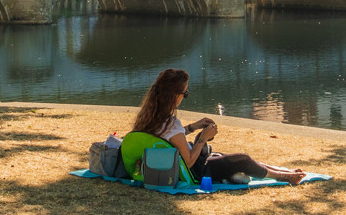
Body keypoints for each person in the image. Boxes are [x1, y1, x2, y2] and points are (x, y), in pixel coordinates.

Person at [130, 68, 305, 185]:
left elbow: (168, 138)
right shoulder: (171, 123)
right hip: (195, 172)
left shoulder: (150, 117)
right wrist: (203, 138)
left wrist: (194, 127)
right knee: (241, 159)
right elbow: (190, 162)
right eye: (186, 94)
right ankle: (283, 176)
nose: (185, 96)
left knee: (224, 156)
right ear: (175, 95)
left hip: (166, 166)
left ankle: (281, 170)